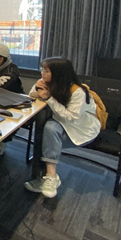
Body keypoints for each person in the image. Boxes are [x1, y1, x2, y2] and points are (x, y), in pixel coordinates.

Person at [24, 57, 100, 198]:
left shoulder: (78, 92)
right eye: (42, 70)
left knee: (45, 138)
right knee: (47, 132)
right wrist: (37, 88)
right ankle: (51, 176)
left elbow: (70, 117)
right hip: (59, 123)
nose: (42, 73)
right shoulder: (48, 83)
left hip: (80, 130)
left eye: (46, 71)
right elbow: (31, 98)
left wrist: (49, 98)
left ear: (58, 73)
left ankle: (46, 178)